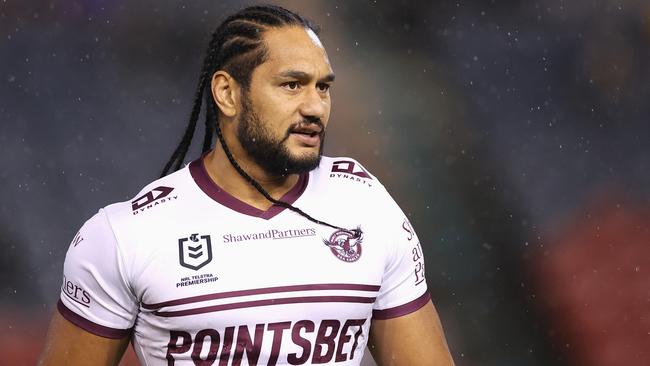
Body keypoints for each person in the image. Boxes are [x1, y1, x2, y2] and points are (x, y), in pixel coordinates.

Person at [39, 5, 455, 366]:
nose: (315, 107)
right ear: (227, 93)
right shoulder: (126, 235)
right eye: (292, 85)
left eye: (323, 87)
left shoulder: (366, 206)